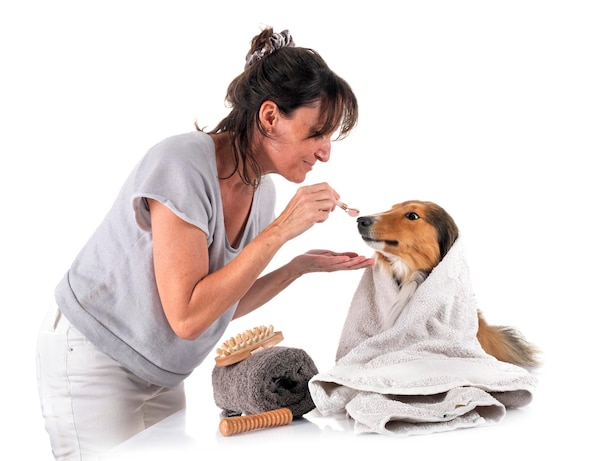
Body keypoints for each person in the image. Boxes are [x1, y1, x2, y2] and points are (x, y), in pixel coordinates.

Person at [36, 27, 374, 460]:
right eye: (317, 134)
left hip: (162, 372)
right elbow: (188, 317)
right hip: (94, 359)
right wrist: (282, 231)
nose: (325, 152)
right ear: (270, 117)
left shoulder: (262, 193)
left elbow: (219, 302)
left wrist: (298, 266)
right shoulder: (181, 164)